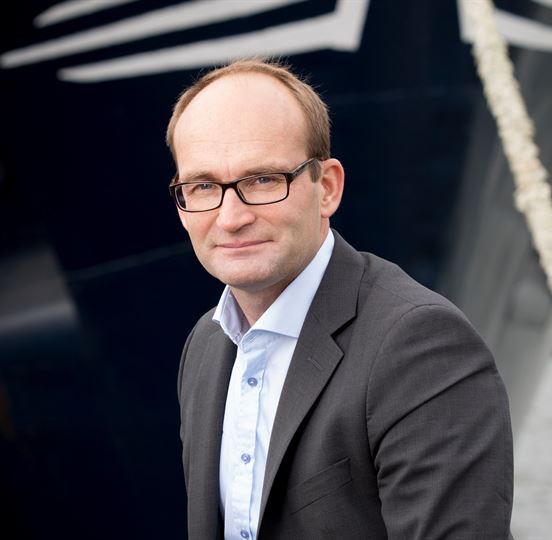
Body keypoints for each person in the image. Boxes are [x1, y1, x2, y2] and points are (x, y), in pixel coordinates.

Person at [168, 58, 513, 540]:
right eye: (203, 186)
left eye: (263, 180)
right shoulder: (205, 345)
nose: (230, 217)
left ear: (327, 188)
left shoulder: (421, 347)